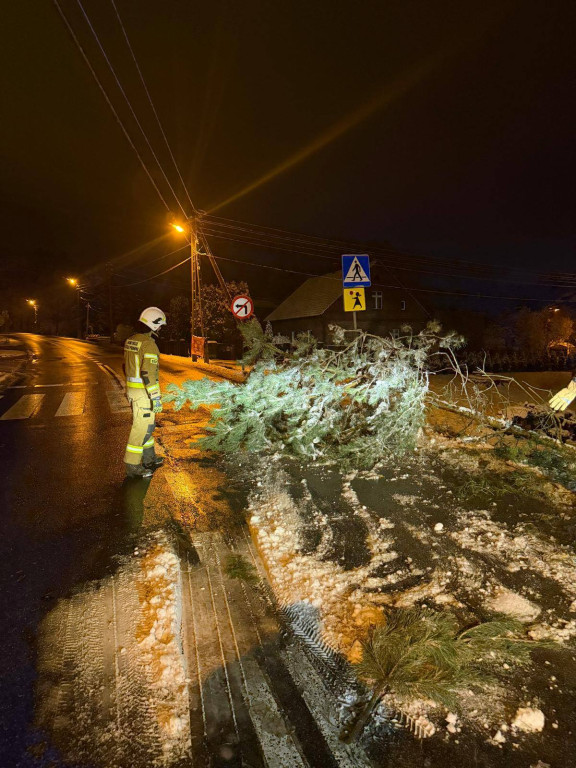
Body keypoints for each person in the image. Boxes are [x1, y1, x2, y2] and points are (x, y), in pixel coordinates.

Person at [123, 307, 166, 478]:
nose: (161, 329)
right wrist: (155, 398)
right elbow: (148, 373)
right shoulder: (149, 344)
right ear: (153, 325)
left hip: (133, 391)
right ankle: (132, 464)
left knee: (147, 427)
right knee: (141, 429)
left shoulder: (132, 340)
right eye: (160, 325)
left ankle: (149, 458)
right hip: (144, 394)